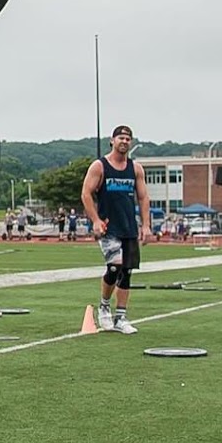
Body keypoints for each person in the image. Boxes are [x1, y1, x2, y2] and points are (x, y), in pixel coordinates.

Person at [81, 124, 151, 334]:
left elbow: (143, 197)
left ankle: (121, 317)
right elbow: (86, 193)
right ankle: (104, 306)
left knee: (127, 272)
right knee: (115, 266)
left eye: (128, 139)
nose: (124, 142)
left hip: (129, 227)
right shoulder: (100, 166)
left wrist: (146, 225)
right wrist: (95, 219)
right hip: (108, 227)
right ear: (112, 141)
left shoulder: (136, 168)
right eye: (120, 138)